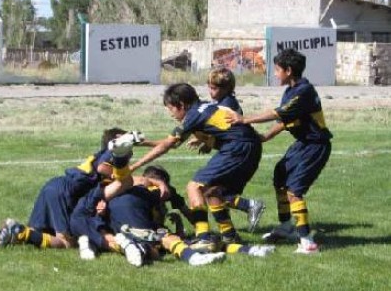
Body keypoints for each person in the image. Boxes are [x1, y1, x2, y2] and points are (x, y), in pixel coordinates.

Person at [0, 128, 144, 249]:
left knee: (39, 234)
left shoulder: (100, 153)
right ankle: (21, 231)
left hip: (53, 185)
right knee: (65, 241)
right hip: (64, 192)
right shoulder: (108, 155)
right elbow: (106, 170)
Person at [129, 83, 262, 249]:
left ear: (182, 105)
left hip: (238, 148)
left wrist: (134, 167)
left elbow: (166, 146)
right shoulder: (203, 109)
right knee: (211, 191)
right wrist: (141, 143)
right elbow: (171, 143)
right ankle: (229, 236)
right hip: (250, 147)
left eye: (171, 108)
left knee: (194, 187)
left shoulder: (193, 115)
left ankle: (203, 237)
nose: (170, 113)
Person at [226, 48, 332, 254]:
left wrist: (244, 119)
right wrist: (265, 137)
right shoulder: (291, 91)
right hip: (303, 143)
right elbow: (284, 120)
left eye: (277, 70)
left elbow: (278, 113)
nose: (275, 74)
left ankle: (307, 242)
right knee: (280, 176)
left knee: (294, 190)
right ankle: (286, 227)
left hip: (315, 145)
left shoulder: (304, 91)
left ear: (289, 70)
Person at [72, 165, 227, 267]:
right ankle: (192, 257)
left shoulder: (126, 181)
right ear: (164, 181)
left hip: (106, 216)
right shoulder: (161, 190)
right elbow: (189, 215)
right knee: (159, 240)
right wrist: (201, 232)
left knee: (117, 233)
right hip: (133, 209)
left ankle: (107, 243)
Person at [186, 67, 266, 232]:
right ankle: (241, 217)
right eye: (209, 87)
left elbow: (227, 130)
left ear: (227, 88)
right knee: (213, 191)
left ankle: (205, 233)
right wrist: (205, 140)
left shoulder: (227, 105)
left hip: (237, 152)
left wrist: (208, 141)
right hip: (236, 150)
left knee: (203, 187)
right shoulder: (222, 102)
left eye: (214, 88)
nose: (210, 92)